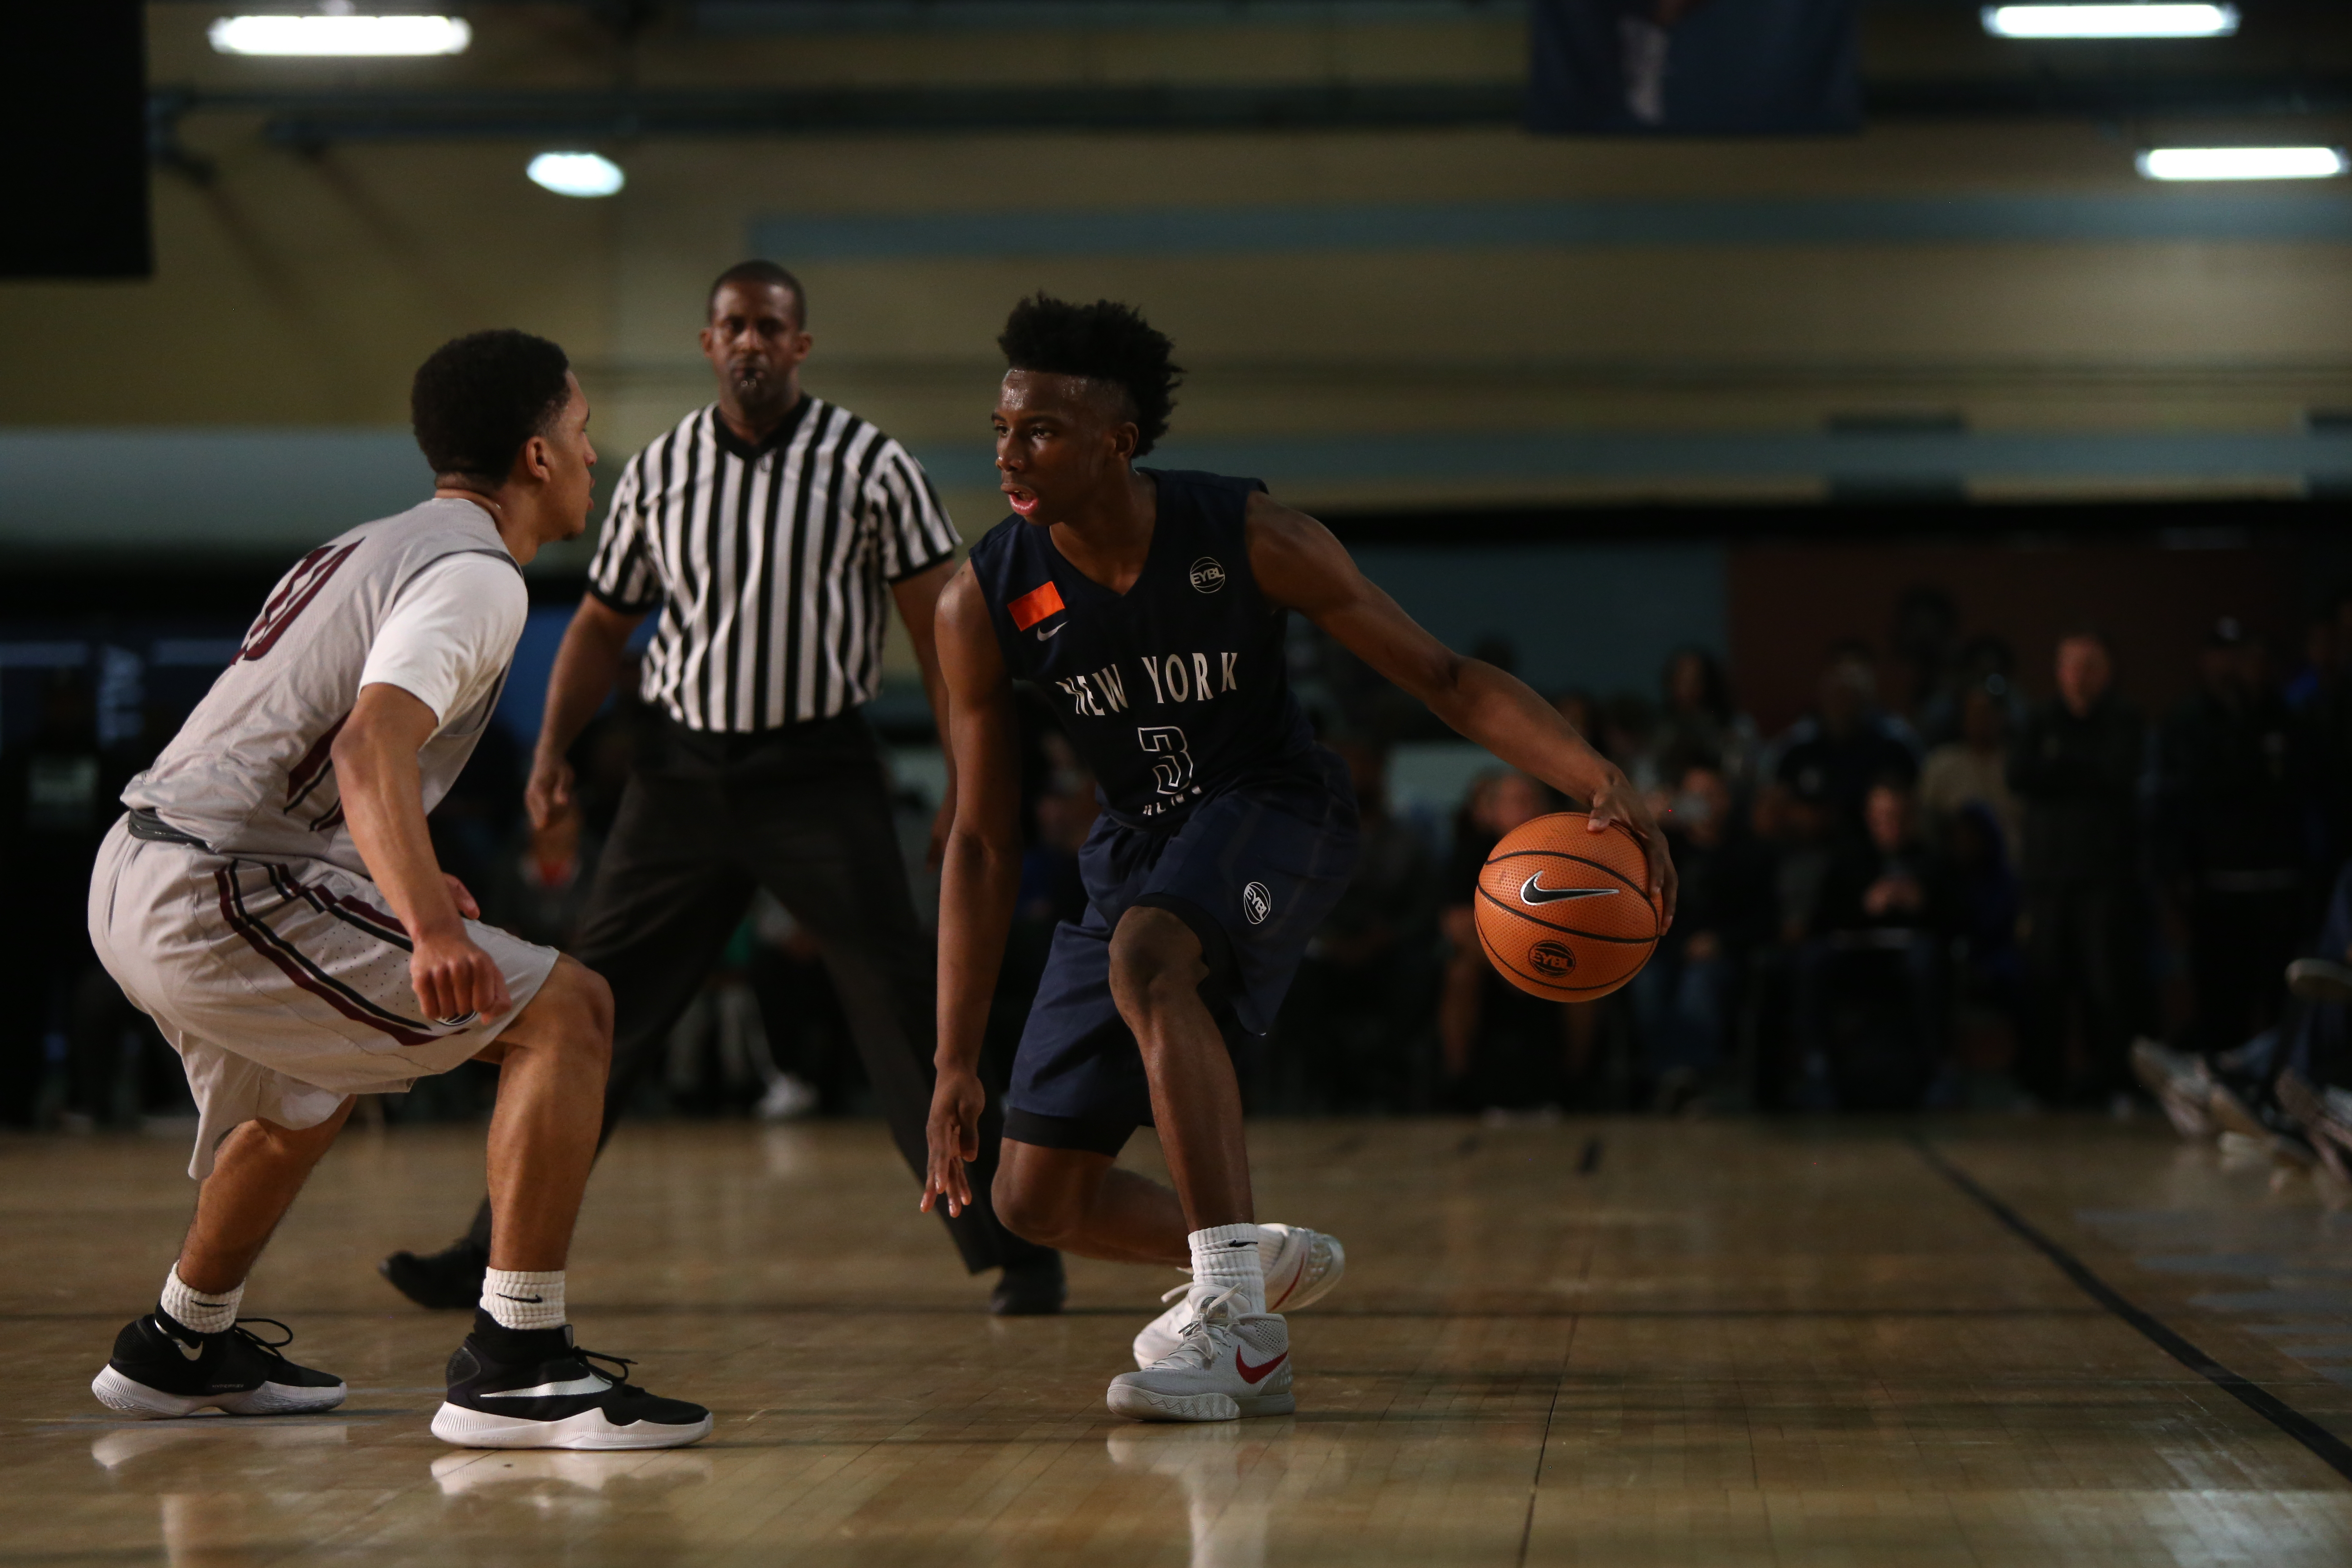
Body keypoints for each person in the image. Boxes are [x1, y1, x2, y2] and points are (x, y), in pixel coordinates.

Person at [918, 294, 1674, 1422]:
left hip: (1275, 804)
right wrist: (952, 1057)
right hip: (1137, 841)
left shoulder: (1248, 536)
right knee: (1034, 1198)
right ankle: (1246, 1254)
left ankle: (1240, 1329)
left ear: (1118, 442)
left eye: (1040, 431)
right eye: (1002, 428)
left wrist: (1593, 774)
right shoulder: (980, 598)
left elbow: (1442, 675)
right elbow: (981, 840)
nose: (1008, 453)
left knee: (1148, 960)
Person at [379, 260, 1060, 1317]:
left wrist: (968, 780)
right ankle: (486, 1251)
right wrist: (554, 747)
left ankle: (1018, 1248)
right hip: (682, 775)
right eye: (733, 325)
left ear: (799, 346)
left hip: (819, 772)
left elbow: (941, 628)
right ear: (708, 343)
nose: (751, 342)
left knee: (906, 1014)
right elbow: (601, 625)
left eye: (770, 327)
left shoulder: (871, 462)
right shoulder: (660, 469)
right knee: (589, 1007)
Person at [83, 330, 708, 1448]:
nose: (591, 454)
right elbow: (369, 746)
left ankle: (180, 1343)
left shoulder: (370, 543)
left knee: (305, 1092)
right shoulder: (477, 574)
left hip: (154, 863)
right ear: (535, 455)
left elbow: (289, 749)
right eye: (580, 432)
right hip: (215, 886)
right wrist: (424, 925)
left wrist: (388, 871)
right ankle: (517, 1363)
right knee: (571, 1012)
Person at [2009, 629, 2149, 1109]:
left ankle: (2114, 1083)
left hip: (2104, 877)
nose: (2080, 676)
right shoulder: (2039, 719)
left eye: (2090, 666)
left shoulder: (2125, 719)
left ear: (2107, 672)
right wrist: (2083, 769)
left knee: (2107, 984)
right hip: (2047, 877)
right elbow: (2019, 774)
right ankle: (2043, 1084)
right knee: (2046, 981)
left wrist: (2060, 767)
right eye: (2071, 665)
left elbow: (2118, 774)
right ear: (2058, 671)